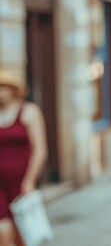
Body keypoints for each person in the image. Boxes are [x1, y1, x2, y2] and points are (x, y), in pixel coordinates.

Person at [0, 69, 48, 246]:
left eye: (3, 87)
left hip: (21, 183)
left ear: (13, 89)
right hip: (0, 185)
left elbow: (40, 149)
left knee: (24, 234)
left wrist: (30, 180)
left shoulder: (29, 111)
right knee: (3, 234)